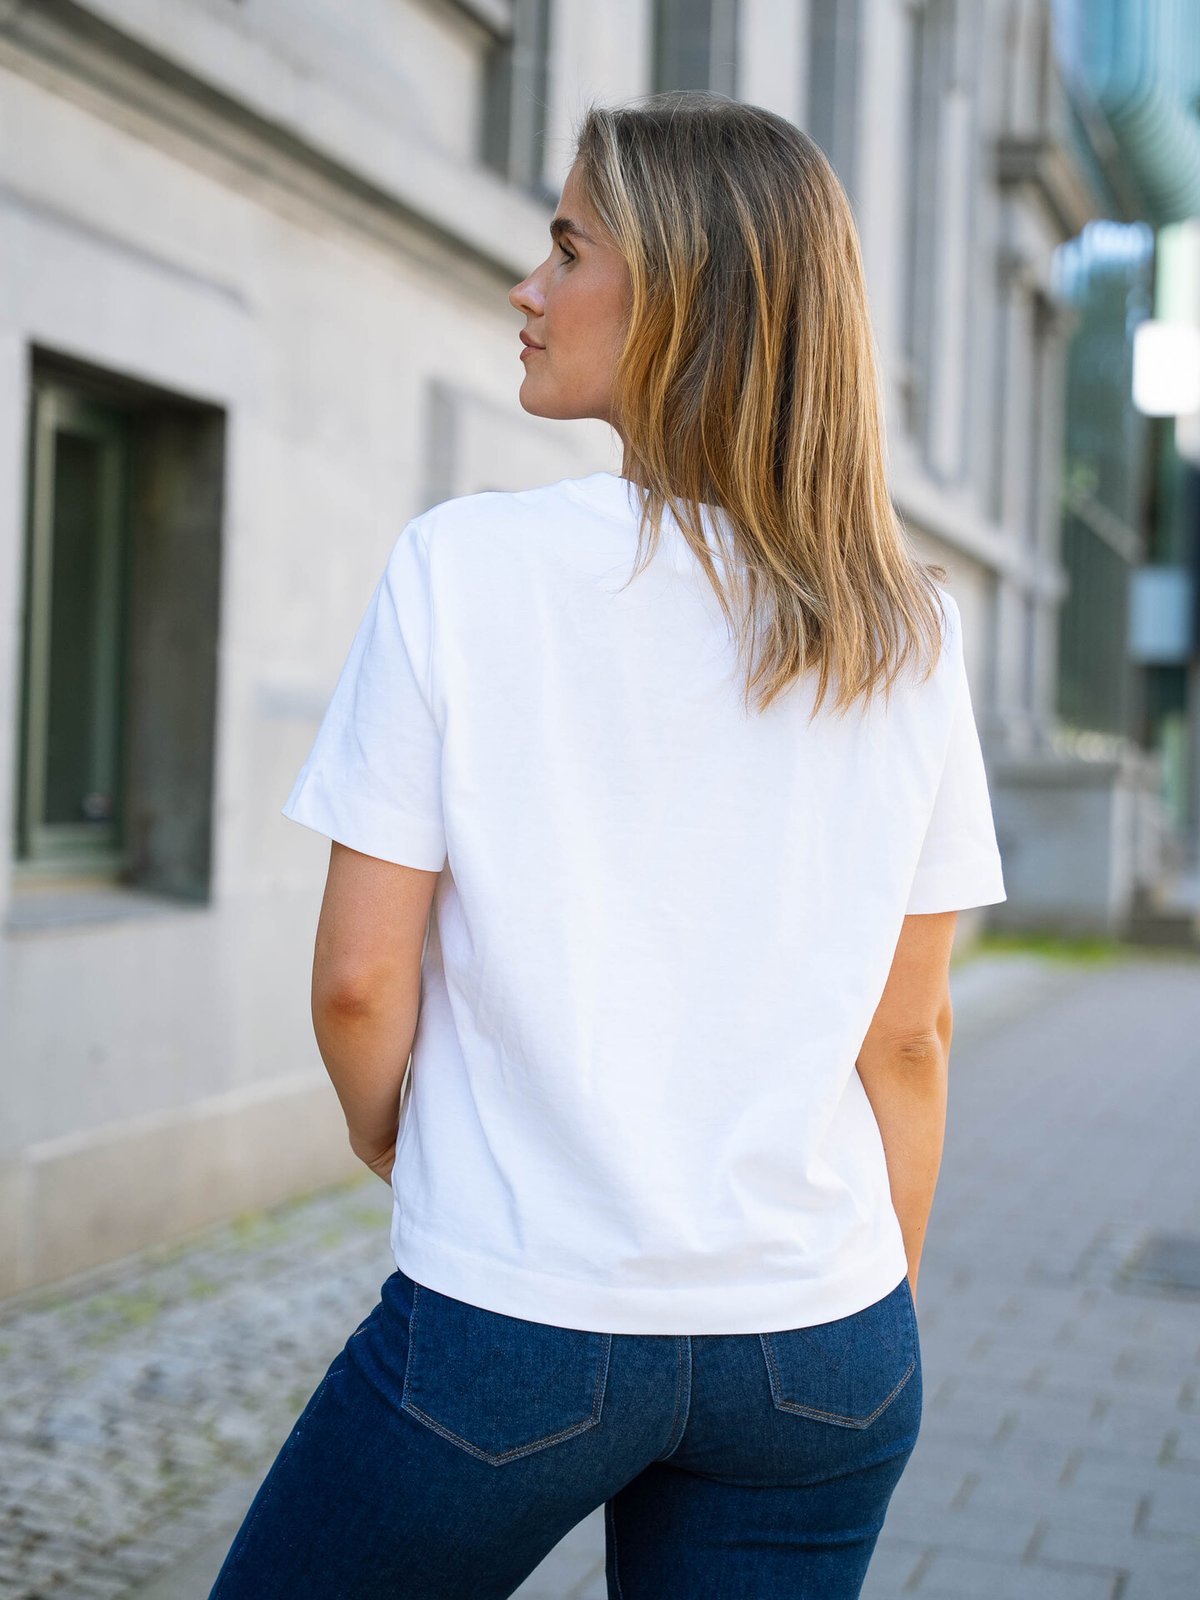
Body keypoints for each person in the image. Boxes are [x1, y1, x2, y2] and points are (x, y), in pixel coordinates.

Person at [208, 90, 1006, 1600]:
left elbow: (361, 988)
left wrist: (407, 1135)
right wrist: (862, 1300)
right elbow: (911, 1040)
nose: (527, 285)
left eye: (566, 246)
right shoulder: (910, 630)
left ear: (680, 300)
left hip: (514, 1328)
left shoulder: (465, 570)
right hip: (822, 1349)